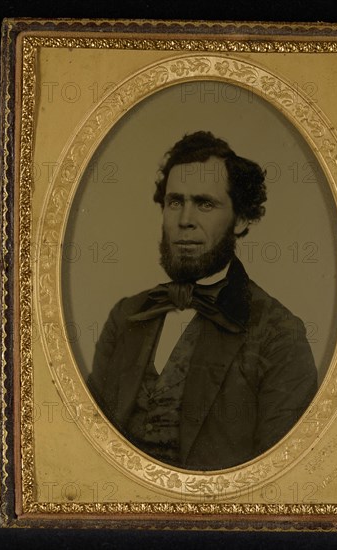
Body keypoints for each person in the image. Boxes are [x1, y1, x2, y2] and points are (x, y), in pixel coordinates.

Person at [88, 131, 317, 471]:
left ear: (241, 219)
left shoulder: (279, 335)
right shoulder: (126, 316)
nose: (184, 220)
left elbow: (281, 478)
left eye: (205, 203)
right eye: (175, 202)